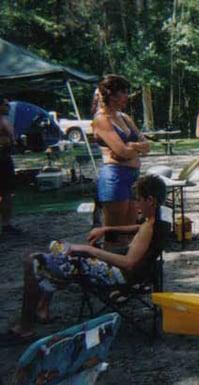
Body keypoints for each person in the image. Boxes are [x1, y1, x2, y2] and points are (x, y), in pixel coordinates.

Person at [2, 174, 169, 343]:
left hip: (114, 277)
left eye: (138, 199)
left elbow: (128, 263)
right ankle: (42, 307)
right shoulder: (157, 220)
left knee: (32, 261)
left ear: (150, 200)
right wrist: (106, 229)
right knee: (56, 247)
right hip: (121, 273)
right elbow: (138, 228)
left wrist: (89, 250)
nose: (135, 204)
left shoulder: (149, 227)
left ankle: (25, 328)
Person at [92, 75, 150, 239]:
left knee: (130, 231)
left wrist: (133, 146)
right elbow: (121, 152)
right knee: (114, 234)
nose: (127, 96)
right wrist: (132, 148)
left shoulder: (124, 117)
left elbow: (147, 146)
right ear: (111, 95)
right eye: (123, 92)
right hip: (115, 177)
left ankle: (126, 263)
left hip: (133, 177)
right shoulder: (101, 120)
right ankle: (109, 263)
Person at [0, 95, 21, 235]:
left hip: (4, 157)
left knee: (6, 193)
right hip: (2, 159)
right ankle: (6, 224)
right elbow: (10, 140)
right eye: (6, 105)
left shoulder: (4, 120)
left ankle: (6, 224)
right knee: (6, 193)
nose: (8, 107)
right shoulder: (2, 120)